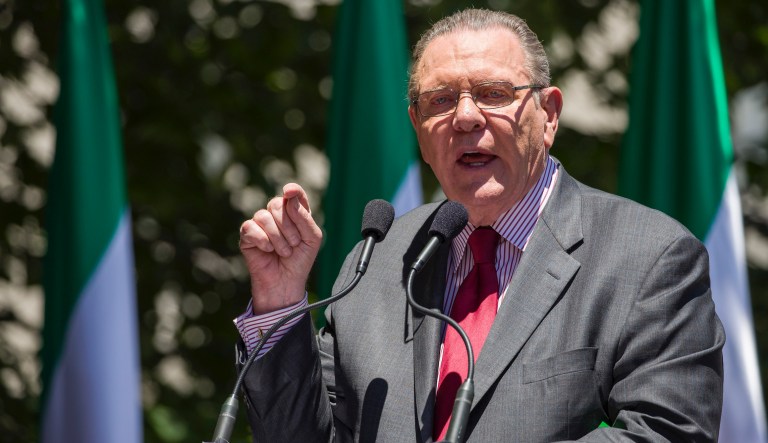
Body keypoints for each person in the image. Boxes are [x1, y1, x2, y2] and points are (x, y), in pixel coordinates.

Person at [235, 8, 724, 442]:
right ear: (418, 132)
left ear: (549, 115)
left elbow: (665, 432)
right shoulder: (379, 259)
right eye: (441, 101)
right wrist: (279, 303)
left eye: (493, 94)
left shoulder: (649, 256)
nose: (466, 117)